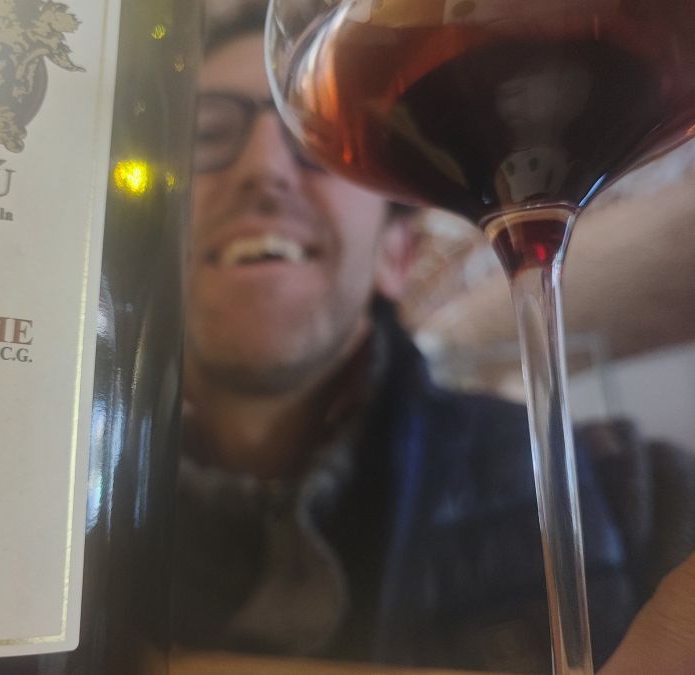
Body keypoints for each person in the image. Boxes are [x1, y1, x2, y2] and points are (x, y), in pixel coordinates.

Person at [171, 3, 695, 672]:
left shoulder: (633, 498)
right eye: (208, 133)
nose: (265, 170)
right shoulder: (68, 528)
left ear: (397, 257)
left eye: (302, 146)